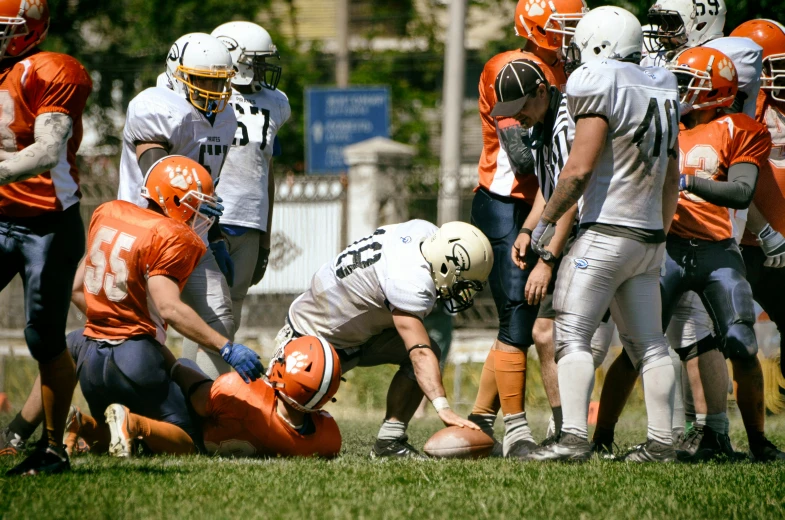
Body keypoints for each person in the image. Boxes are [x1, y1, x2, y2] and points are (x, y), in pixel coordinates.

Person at [19, 156, 263, 459]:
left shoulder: (110, 212)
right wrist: (225, 347)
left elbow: (76, 287)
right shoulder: (173, 235)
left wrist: (109, 319)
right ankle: (133, 423)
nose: (203, 212)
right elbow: (169, 306)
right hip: (135, 359)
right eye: (198, 203)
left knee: (114, 442)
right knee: (188, 442)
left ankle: (50, 428)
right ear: (172, 199)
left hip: (88, 354)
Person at [524, 6, 682, 462]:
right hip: (649, 235)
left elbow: (577, 171)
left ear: (600, 44)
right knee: (650, 344)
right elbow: (672, 178)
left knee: (570, 334)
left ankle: (572, 438)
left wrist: (547, 221)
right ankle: (662, 443)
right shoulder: (662, 84)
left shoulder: (599, 82)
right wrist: (659, 233)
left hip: (605, 232)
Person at [469, 0, 587, 458]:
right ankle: (516, 430)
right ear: (535, 26)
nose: (572, 33)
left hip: (550, 202)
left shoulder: (568, 70)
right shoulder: (512, 68)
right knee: (517, 313)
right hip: (509, 201)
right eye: (564, 25)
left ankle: (481, 417)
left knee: (534, 321)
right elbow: (525, 158)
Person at [278, 220, 492, 458]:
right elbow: (418, 352)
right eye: (462, 282)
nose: (461, 291)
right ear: (446, 266)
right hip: (312, 338)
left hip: (358, 333)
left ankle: (390, 441)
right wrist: (443, 408)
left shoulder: (424, 233)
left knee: (431, 349)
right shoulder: (411, 280)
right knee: (290, 436)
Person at [0, 0, 93, 475]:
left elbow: (46, 152)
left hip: (47, 223)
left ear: (27, 31)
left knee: (43, 336)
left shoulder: (52, 70)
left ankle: (53, 449)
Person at [117, 32, 239, 380]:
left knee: (219, 321)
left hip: (192, 234)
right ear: (177, 74)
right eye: (201, 80)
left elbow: (207, 179)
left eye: (218, 82)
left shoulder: (226, 116)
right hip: (148, 231)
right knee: (142, 329)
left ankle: (203, 409)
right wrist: (198, 203)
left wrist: (213, 235)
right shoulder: (158, 106)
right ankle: (141, 412)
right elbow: (158, 175)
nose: (211, 91)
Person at [66, 335, 341, 458]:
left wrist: (166, 357)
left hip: (194, 428)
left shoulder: (241, 391)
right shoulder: (327, 440)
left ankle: (133, 423)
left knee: (186, 440)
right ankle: (85, 426)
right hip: (230, 428)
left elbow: (197, 398)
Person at [209, 22, 291, 330]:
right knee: (209, 312)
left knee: (231, 316)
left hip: (251, 223)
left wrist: (266, 241)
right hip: (210, 218)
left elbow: (266, 170)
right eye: (256, 61)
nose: (262, 68)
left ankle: (219, 379)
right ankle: (195, 380)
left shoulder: (276, 102)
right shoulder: (209, 93)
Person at [731, 18, 785, 380]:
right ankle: (695, 427)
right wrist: (765, 232)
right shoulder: (737, 114)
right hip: (744, 242)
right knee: (712, 338)